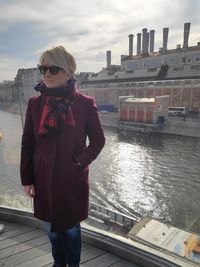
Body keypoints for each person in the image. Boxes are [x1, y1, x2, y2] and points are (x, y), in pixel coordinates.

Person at [20, 46, 105, 267]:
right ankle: (59, 263)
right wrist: (27, 179)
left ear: (68, 71)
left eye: (54, 69)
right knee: (52, 230)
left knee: (71, 230)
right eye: (43, 68)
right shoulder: (34, 104)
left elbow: (98, 141)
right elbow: (28, 143)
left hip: (71, 180)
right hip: (42, 179)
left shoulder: (85, 104)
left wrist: (79, 161)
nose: (47, 73)